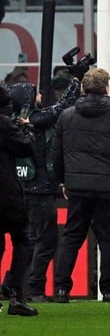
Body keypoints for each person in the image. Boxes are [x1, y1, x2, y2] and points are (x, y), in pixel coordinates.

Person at [51, 67, 110, 302]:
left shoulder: (67, 116)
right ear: (107, 88)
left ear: (83, 88)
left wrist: (63, 180)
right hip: (109, 188)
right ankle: (108, 290)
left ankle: (62, 289)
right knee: (109, 239)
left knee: (72, 237)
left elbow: (57, 153)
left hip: (78, 187)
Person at [1, 76, 80, 302]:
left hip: (24, 188)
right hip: (36, 190)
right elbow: (59, 109)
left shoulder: (14, 120)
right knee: (42, 240)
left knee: (31, 240)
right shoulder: (30, 120)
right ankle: (32, 289)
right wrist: (75, 81)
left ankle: (12, 285)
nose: (40, 96)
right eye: (34, 93)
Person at [0, 82, 37, 316]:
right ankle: (15, 294)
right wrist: (27, 130)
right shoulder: (4, 124)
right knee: (23, 239)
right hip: (5, 195)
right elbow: (26, 148)